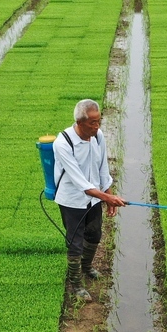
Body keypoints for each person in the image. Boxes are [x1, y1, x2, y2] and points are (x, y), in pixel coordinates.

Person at [51, 98, 126, 301]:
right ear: (80, 122)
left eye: (99, 121)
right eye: (93, 122)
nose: (97, 126)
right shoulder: (63, 143)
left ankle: (87, 267)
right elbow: (79, 182)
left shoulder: (98, 136)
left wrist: (108, 193)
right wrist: (108, 197)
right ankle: (76, 284)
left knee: (94, 235)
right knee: (75, 242)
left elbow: (102, 167)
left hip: (94, 199)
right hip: (72, 200)